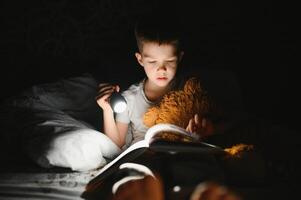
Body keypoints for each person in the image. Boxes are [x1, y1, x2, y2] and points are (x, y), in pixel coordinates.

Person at [96, 15, 212, 148]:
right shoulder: (129, 99)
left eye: (169, 61)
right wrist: (107, 110)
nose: (162, 69)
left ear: (179, 58)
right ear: (140, 60)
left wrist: (205, 131)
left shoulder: (188, 91)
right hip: (145, 158)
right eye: (152, 62)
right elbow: (116, 143)